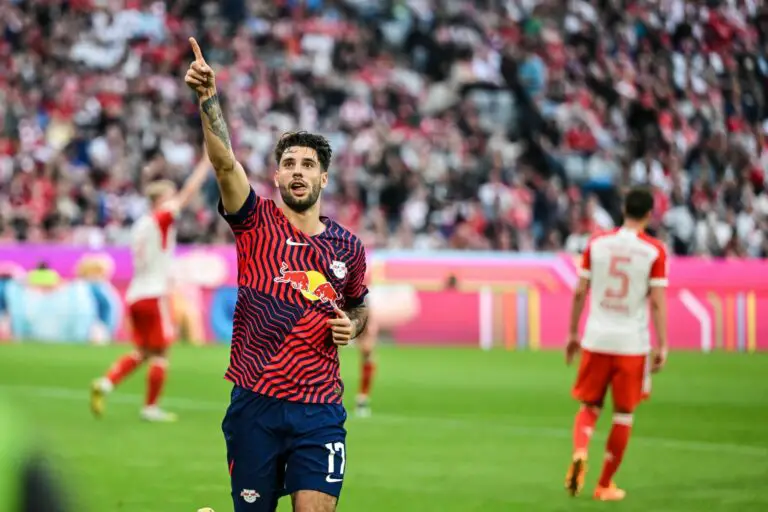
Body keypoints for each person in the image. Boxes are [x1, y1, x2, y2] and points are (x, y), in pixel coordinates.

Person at [184, 38, 370, 512]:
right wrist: (208, 97)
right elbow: (223, 162)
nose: (298, 171)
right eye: (289, 164)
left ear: (323, 178)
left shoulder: (348, 247)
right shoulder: (255, 221)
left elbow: (358, 304)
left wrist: (351, 325)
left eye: (308, 165)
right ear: (278, 176)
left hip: (319, 407)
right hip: (256, 403)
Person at [563, 186, 669, 501]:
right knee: (623, 414)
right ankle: (604, 484)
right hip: (631, 344)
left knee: (589, 406)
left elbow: (580, 291)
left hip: (596, 337)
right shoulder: (654, 251)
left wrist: (572, 333)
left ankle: (580, 451)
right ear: (649, 215)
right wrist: (663, 344)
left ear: (623, 210)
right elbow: (657, 302)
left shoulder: (596, 243)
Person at [90, 150, 211, 422]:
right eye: (169, 196)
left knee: (143, 351)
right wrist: (206, 164)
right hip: (154, 294)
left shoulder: (140, 225)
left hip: (135, 295)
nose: (173, 200)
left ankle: (106, 383)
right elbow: (188, 193)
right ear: (159, 200)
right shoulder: (160, 218)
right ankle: (150, 408)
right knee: (161, 352)